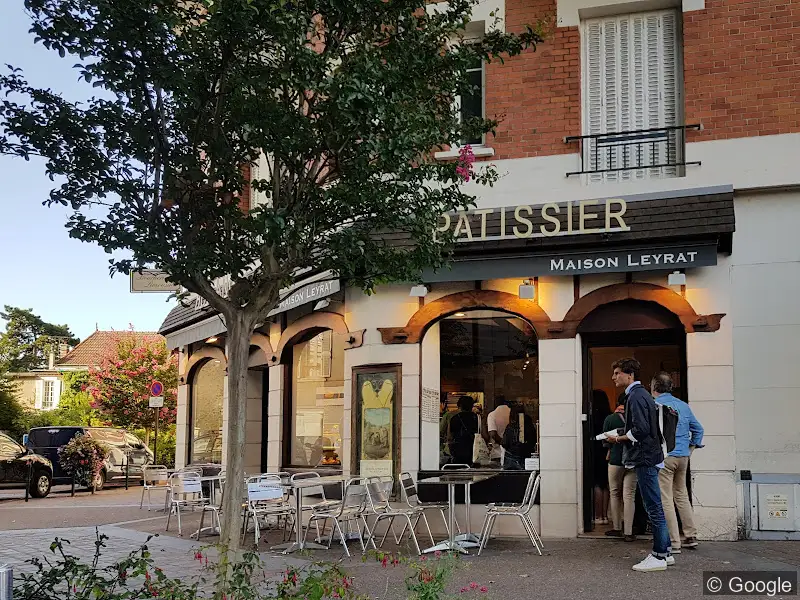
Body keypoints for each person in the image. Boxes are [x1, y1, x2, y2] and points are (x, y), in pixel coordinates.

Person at [606, 358, 673, 572]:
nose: (614, 377)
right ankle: (667, 552)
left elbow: (641, 430)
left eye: (617, 373)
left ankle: (659, 555)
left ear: (629, 375)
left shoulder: (634, 397)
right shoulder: (642, 394)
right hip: (650, 455)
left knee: (653, 506)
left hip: (644, 457)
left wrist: (618, 439)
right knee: (655, 505)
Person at [651, 372, 704, 553]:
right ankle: (690, 535)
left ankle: (673, 541)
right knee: (681, 494)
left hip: (665, 457)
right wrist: (691, 448)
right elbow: (698, 429)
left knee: (665, 498)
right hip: (683, 456)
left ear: (654, 387)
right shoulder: (683, 406)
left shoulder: (656, 405)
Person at [603, 395, 638, 541]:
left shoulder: (610, 419)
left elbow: (605, 439)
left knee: (615, 493)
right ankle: (628, 531)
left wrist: (610, 448)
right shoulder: (636, 417)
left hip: (616, 460)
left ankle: (617, 527)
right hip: (633, 460)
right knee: (629, 495)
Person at [591, 390, 612, 525]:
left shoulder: (592, 416)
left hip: (595, 451)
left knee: (597, 484)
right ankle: (605, 515)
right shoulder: (609, 416)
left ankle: (598, 516)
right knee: (605, 484)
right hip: (607, 451)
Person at [501, 403, 535, 470]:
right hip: (527, 457)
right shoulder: (529, 425)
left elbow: (504, 443)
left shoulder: (510, 426)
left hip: (511, 458)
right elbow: (533, 440)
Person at [448, 395, 479, 466]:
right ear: (471, 406)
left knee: (459, 472)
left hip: (458, 450)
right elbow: (483, 435)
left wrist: (451, 451)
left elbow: (450, 437)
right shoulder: (477, 417)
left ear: (459, 405)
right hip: (474, 450)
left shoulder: (454, 418)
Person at [486, 396, 511, 467]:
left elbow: (493, 433)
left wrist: (502, 443)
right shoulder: (511, 413)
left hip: (497, 453)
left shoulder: (492, 415)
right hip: (512, 452)